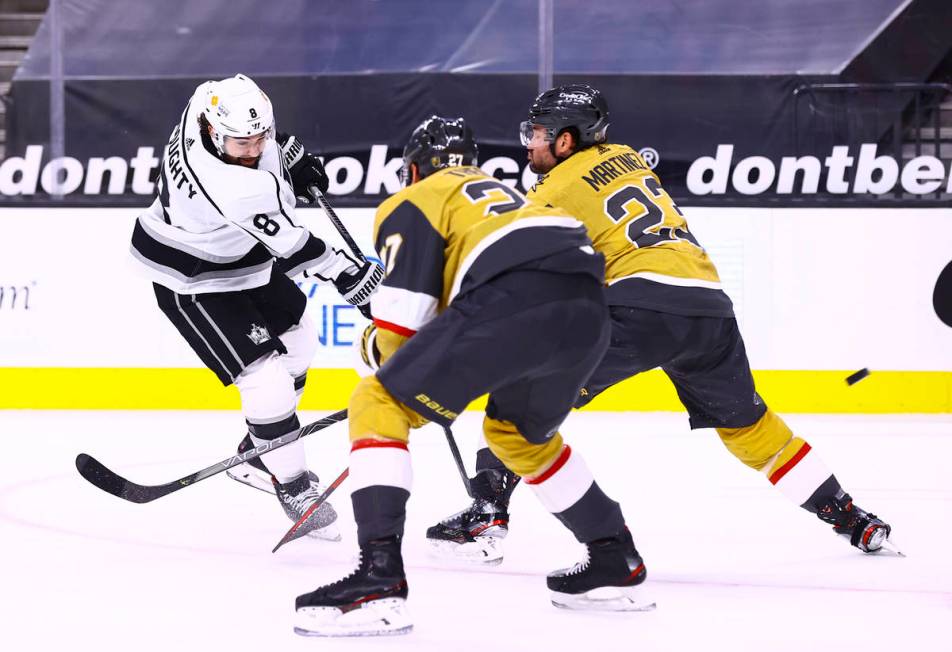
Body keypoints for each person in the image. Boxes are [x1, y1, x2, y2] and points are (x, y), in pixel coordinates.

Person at [427, 84, 897, 563]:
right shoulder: (628, 157)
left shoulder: (554, 190)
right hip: (709, 308)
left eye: (540, 132)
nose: (530, 142)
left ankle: (487, 513)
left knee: (519, 397)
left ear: (567, 141)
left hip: (638, 308)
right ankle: (849, 517)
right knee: (750, 427)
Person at [293, 116, 655, 638]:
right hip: (588, 308)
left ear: (412, 168)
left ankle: (378, 580)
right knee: (516, 438)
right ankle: (615, 560)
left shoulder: (413, 200)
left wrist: (369, 349)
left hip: (514, 300)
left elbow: (398, 339)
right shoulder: (505, 197)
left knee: (377, 402)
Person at [129, 74, 383, 541]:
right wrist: (356, 281)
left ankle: (260, 446)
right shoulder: (231, 187)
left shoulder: (208, 100)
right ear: (211, 131)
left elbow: (260, 140)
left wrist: (286, 153)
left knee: (303, 339)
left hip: (241, 255)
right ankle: (289, 483)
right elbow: (301, 248)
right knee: (264, 380)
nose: (250, 150)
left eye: (257, 138)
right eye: (239, 144)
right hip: (191, 275)